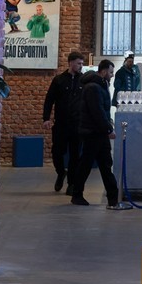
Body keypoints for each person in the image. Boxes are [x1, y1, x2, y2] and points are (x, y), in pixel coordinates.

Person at [68, 59, 121, 208]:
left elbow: (102, 110)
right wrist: (108, 129)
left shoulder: (100, 85)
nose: (112, 75)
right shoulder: (93, 87)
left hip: (98, 132)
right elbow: (97, 111)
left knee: (104, 164)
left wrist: (107, 125)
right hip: (93, 132)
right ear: (103, 71)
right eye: (110, 72)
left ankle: (112, 198)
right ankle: (78, 194)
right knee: (88, 164)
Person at [42, 52, 86, 194]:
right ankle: (61, 172)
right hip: (61, 123)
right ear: (70, 63)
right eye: (78, 63)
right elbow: (49, 100)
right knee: (57, 152)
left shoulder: (83, 81)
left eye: (82, 63)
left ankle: (71, 183)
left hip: (77, 124)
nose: (81, 66)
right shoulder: (59, 80)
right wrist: (46, 118)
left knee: (75, 154)